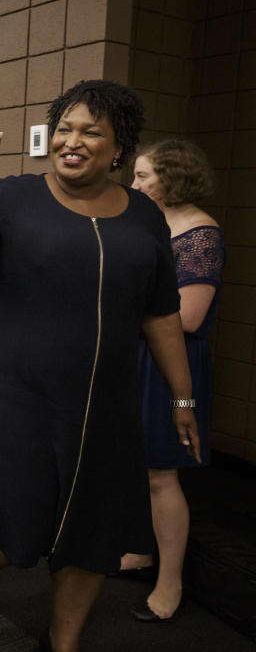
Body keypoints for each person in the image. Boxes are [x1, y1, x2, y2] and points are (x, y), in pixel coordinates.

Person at [0, 82, 200, 652]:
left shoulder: (143, 215)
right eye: (65, 128)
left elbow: (160, 314)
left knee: (93, 527)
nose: (73, 141)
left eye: (91, 131)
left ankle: (63, 642)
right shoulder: (12, 197)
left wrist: (181, 398)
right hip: (11, 391)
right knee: (14, 519)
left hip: (104, 402)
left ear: (118, 148)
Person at [119, 139, 224, 623]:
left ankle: (170, 582)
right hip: (142, 354)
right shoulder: (156, 223)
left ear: (172, 178)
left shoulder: (200, 233)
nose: (134, 184)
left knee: (162, 473)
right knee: (137, 465)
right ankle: (141, 552)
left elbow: (187, 315)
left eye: (143, 177)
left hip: (172, 362)